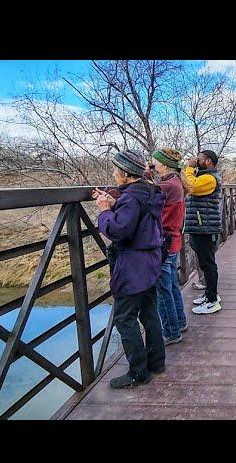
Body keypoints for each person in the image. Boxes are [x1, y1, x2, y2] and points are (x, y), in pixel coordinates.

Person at [92, 149, 165, 389]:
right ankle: (156, 362)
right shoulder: (149, 191)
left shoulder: (133, 197)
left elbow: (120, 230)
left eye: (115, 170)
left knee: (124, 318)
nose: (113, 173)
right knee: (149, 311)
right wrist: (116, 202)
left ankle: (138, 372)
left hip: (134, 264)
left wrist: (104, 212)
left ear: (125, 173)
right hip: (150, 259)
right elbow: (137, 214)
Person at [150, 147, 188, 345]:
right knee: (172, 286)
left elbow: (145, 200)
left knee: (163, 291)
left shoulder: (167, 186)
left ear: (163, 164)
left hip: (163, 242)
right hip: (172, 241)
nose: (152, 164)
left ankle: (172, 332)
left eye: (155, 161)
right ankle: (180, 322)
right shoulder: (175, 182)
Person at [181, 150, 223, 314]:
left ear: (208, 161)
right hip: (200, 225)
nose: (196, 161)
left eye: (199, 159)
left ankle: (213, 301)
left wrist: (189, 169)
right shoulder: (203, 176)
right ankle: (210, 295)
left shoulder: (210, 178)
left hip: (205, 227)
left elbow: (191, 186)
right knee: (205, 264)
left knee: (208, 264)